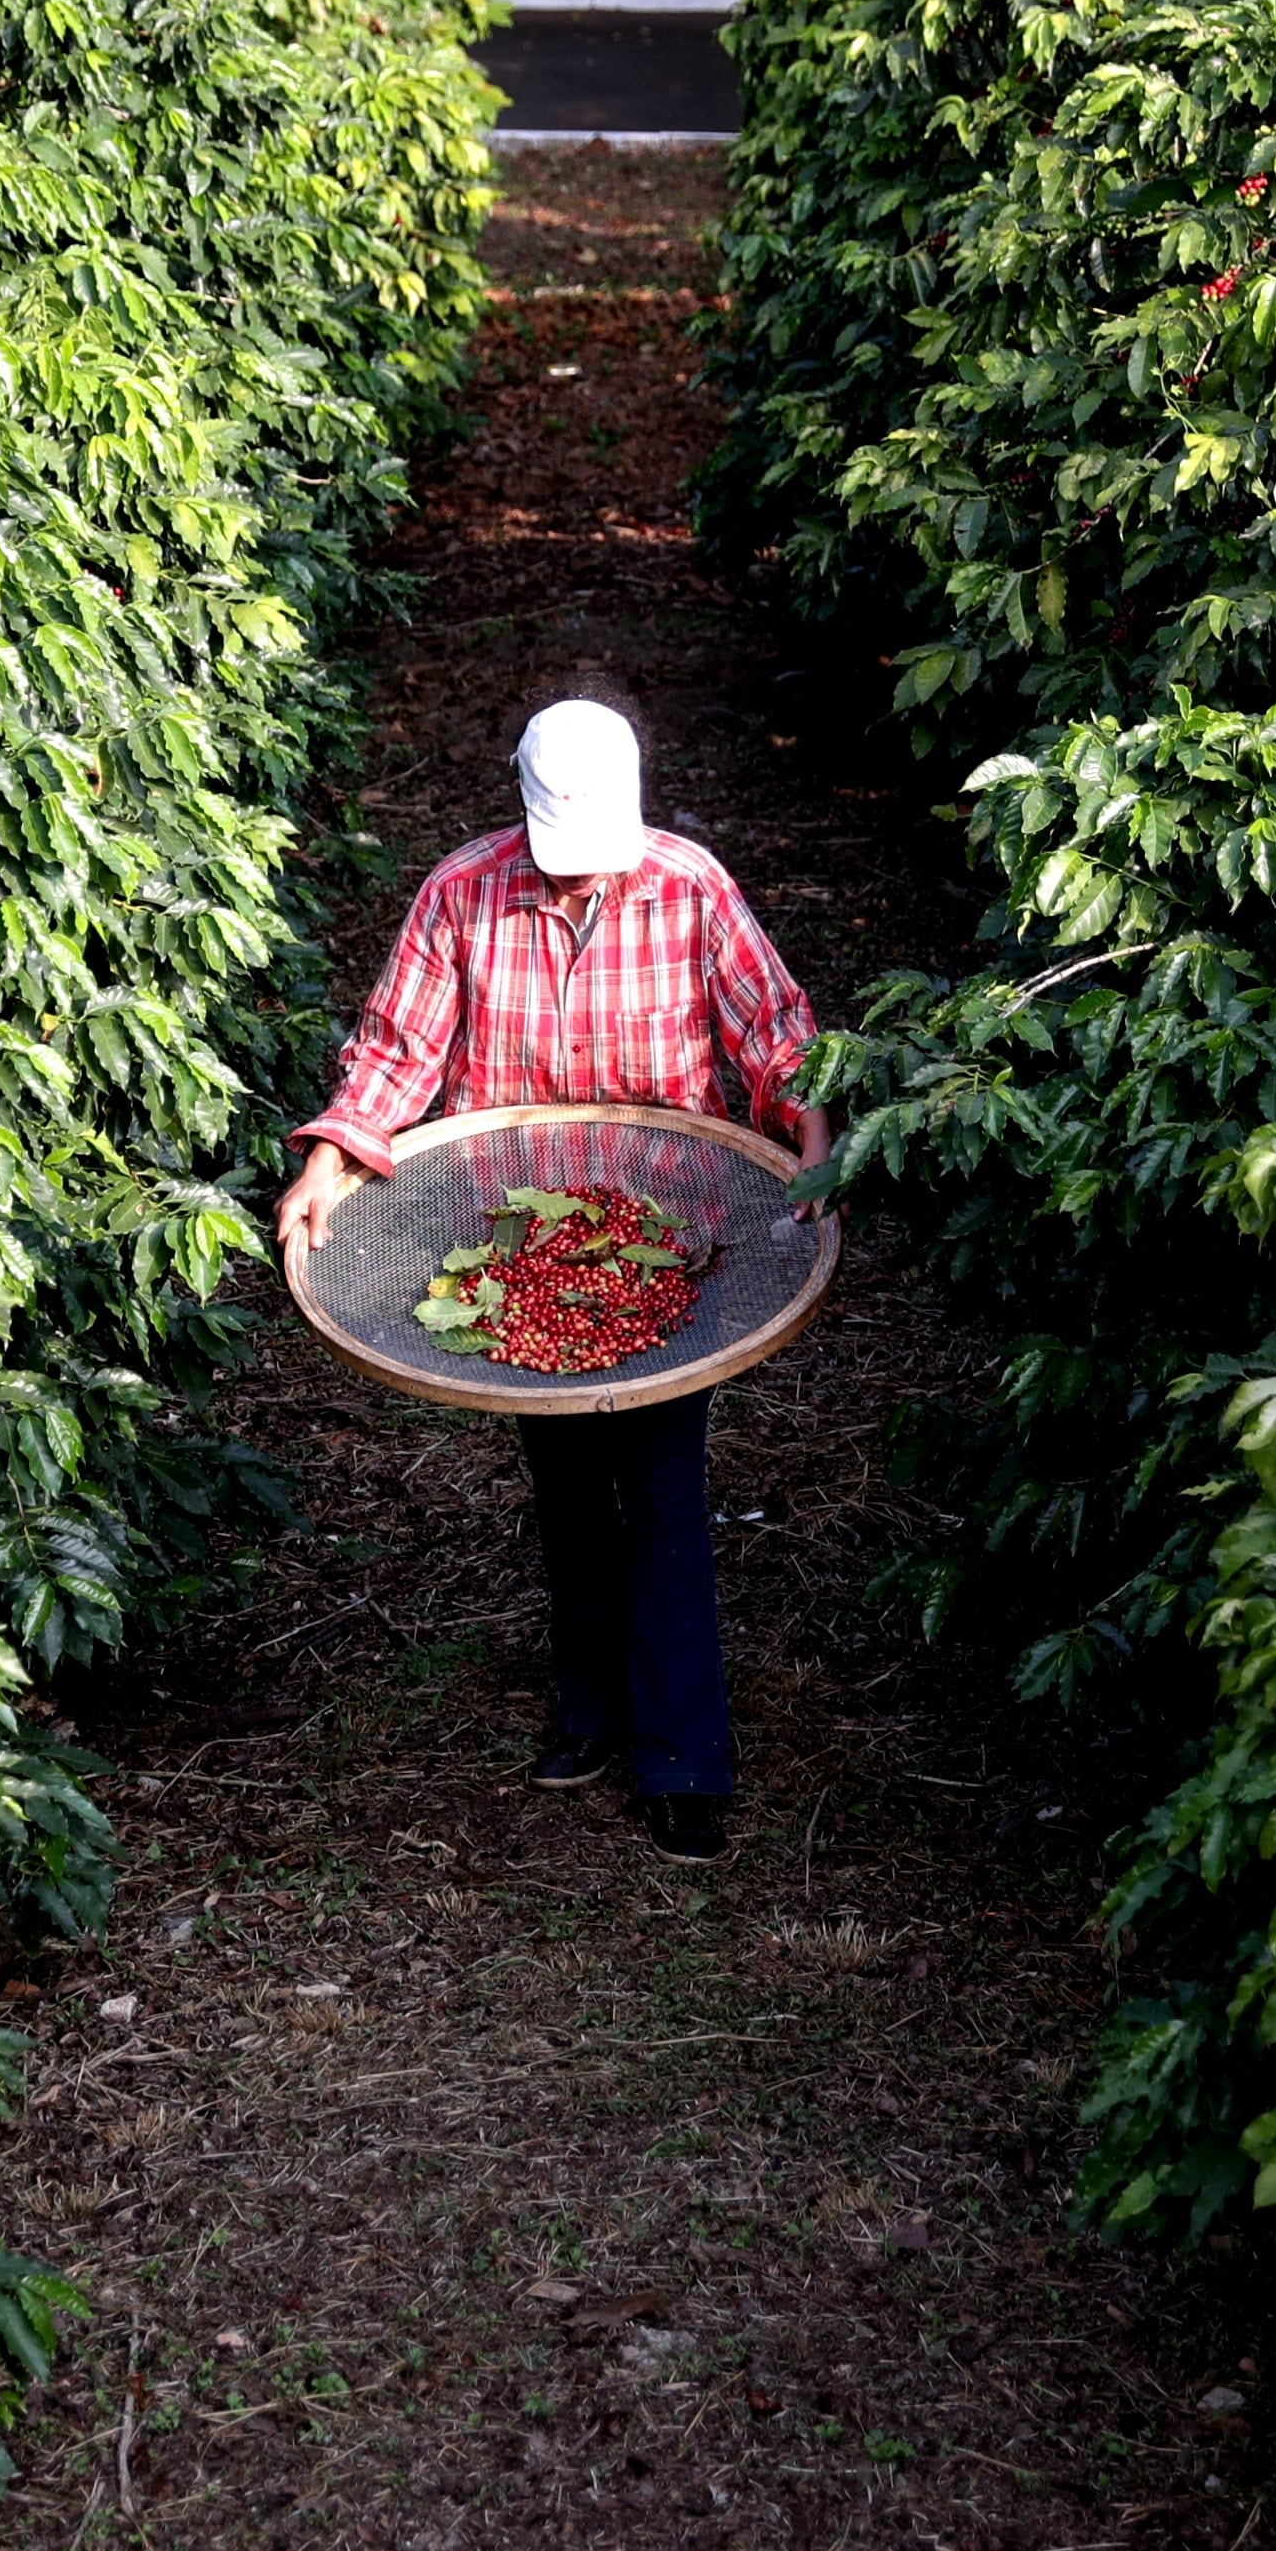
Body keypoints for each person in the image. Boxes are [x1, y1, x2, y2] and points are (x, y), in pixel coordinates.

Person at [273, 694, 827, 1866]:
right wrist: (330, 1158)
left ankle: (685, 1760)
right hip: (517, 1236)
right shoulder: (462, 893)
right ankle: (591, 1709)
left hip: (669, 1236)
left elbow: (775, 1035)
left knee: (665, 1491)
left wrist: (814, 1144)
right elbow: (396, 1048)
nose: (578, 884)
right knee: (570, 1485)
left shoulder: (691, 886)